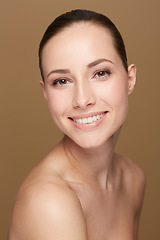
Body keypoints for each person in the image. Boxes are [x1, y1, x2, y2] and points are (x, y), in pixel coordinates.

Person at [8, 9, 145, 240]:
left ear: (130, 79)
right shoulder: (49, 202)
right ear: (45, 92)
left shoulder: (133, 178)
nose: (82, 100)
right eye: (61, 81)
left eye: (100, 73)